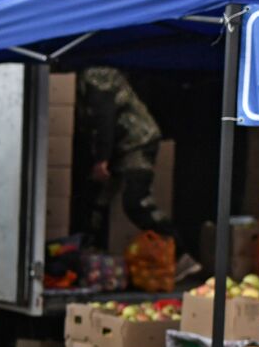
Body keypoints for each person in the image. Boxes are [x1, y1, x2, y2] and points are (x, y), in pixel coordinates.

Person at [77, 66, 200, 280]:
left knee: (136, 202)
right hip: (120, 145)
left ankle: (182, 256)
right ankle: (91, 255)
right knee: (97, 200)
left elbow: (104, 117)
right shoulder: (88, 75)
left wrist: (102, 160)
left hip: (137, 142)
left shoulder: (97, 75)